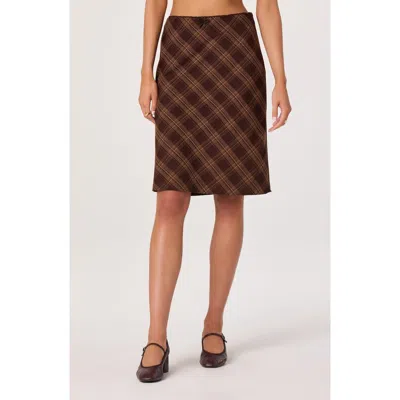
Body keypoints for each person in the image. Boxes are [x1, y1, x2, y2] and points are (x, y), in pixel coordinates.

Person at [137, 0, 291, 382]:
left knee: (230, 195)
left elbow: (267, 6)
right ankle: (156, 336)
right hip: (180, 49)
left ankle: (214, 324)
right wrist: (146, 73)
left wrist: (280, 79)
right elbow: (155, 2)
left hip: (235, 50)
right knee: (170, 199)